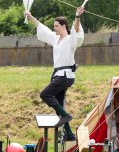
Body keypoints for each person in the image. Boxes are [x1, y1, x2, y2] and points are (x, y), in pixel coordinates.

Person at [25, 7, 85, 141]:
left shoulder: (70, 40)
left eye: (56, 26)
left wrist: (77, 16)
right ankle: (69, 134)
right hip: (58, 75)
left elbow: (76, 31)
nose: (54, 28)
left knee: (45, 94)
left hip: (65, 76)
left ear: (64, 26)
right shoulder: (55, 39)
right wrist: (30, 16)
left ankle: (65, 116)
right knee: (59, 105)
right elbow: (42, 28)